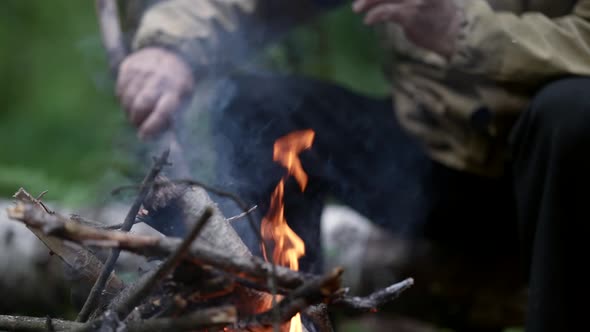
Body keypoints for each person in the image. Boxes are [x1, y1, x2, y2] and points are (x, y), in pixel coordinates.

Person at [115, 0, 590, 331]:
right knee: (261, 110)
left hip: (560, 185)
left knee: (573, 111)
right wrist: (169, 47)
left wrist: (463, 32)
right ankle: (284, 321)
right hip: (428, 170)